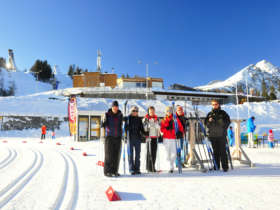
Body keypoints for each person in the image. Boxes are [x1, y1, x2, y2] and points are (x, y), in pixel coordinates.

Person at [205, 100, 231, 172]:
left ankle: (225, 167)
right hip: (213, 136)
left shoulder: (223, 113)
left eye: (216, 104)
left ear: (218, 105)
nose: (214, 105)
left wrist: (222, 125)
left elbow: (228, 122)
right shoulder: (210, 114)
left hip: (221, 135)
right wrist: (209, 121)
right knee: (215, 151)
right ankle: (216, 166)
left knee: (223, 151)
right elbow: (206, 123)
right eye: (213, 104)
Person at [101, 100, 123, 177]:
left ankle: (114, 171)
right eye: (114, 106)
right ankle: (107, 171)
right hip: (109, 137)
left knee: (116, 155)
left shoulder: (120, 115)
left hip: (118, 137)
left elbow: (121, 125)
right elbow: (102, 125)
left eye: (116, 106)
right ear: (112, 107)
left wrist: (122, 135)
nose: (115, 108)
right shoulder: (107, 114)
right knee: (108, 155)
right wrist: (103, 121)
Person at [161, 106, 184, 173]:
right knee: (167, 154)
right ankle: (169, 165)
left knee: (174, 153)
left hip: (174, 138)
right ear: (166, 112)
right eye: (168, 111)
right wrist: (167, 128)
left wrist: (180, 132)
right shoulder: (164, 120)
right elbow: (161, 129)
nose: (169, 112)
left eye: (170, 111)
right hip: (166, 138)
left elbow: (181, 127)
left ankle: (171, 167)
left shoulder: (175, 119)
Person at [124, 106, 145, 175]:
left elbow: (141, 129)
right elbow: (124, 128)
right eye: (133, 111)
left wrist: (145, 133)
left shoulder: (139, 119)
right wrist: (124, 135)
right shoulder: (128, 118)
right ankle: (131, 169)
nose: (135, 112)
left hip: (137, 138)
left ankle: (137, 168)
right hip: (130, 138)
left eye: (136, 111)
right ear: (131, 111)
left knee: (137, 154)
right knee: (130, 154)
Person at [143, 106, 161, 172]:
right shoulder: (146, 118)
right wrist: (147, 126)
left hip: (154, 137)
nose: (152, 113)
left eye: (153, 111)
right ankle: (148, 167)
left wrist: (158, 127)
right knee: (149, 152)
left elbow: (160, 126)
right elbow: (144, 127)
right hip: (149, 137)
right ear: (149, 112)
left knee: (154, 152)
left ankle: (153, 166)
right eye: (150, 112)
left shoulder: (157, 118)